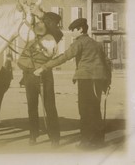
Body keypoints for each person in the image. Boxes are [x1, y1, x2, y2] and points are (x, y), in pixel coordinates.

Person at [34, 18, 112, 150]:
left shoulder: (79, 43)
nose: (72, 33)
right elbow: (107, 63)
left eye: (74, 30)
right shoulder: (97, 44)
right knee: (95, 109)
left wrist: (44, 67)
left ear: (81, 29)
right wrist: (107, 83)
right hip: (98, 80)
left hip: (86, 80)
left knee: (85, 110)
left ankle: (86, 142)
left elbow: (64, 57)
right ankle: (98, 141)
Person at [17, 10, 63, 147]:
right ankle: (33, 135)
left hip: (45, 74)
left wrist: (43, 16)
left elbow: (52, 26)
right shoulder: (34, 34)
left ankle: (55, 138)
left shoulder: (55, 35)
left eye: (46, 21)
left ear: (53, 23)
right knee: (32, 107)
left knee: (49, 107)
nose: (42, 23)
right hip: (30, 74)